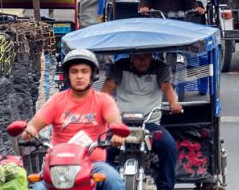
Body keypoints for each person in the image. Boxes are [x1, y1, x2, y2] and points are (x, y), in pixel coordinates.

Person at [20, 50, 125, 190]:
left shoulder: (103, 100)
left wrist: (118, 133)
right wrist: (30, 130)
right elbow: (34, 124)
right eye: (74, 71)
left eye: (84, 71)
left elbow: (115, 122)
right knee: (38, 188)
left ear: (92, 74)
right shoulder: (57, 100)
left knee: (114, 181)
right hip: (56, 166)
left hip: (93, 165)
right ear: (68, 75)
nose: (79, 76)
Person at [101, 54, 181, 190]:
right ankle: (105, 183)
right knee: (102, 148)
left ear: (151, 56)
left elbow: (167, 87)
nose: (142, 61)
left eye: (145, 57)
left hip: (150, 124)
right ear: (131, 56)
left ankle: (166, 187)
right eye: (138, 57)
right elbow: (107, 88)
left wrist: (174, 103)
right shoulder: (120, 66)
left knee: (169, 146)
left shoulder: (160, 68)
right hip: (120, 124)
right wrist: (101, 104)